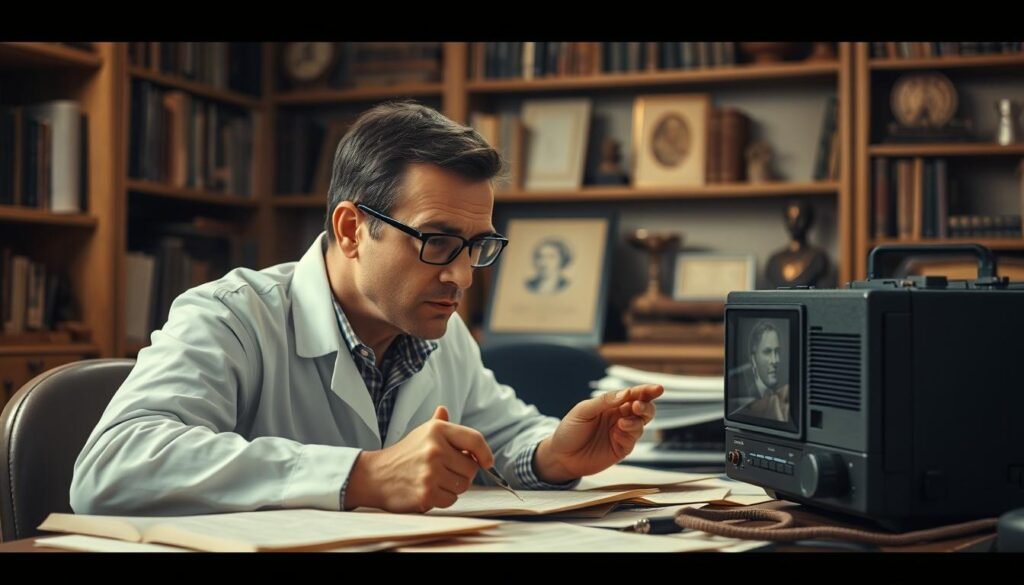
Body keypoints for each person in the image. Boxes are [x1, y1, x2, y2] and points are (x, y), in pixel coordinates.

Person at [70, 102, 662, 516]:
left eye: (478, 247)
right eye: (435, 240)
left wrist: (553, 454)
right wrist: (360, 476)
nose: (460, 275)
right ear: (352, 229)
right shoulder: (229, 317)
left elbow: (498, 436)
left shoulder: (439, 328)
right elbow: (113, 466)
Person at [730, 320, 789, 422]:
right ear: (753, 358)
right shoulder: (741, 400)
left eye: (777, 351)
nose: (775, 360)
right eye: (767, 352)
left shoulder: (784, 395)